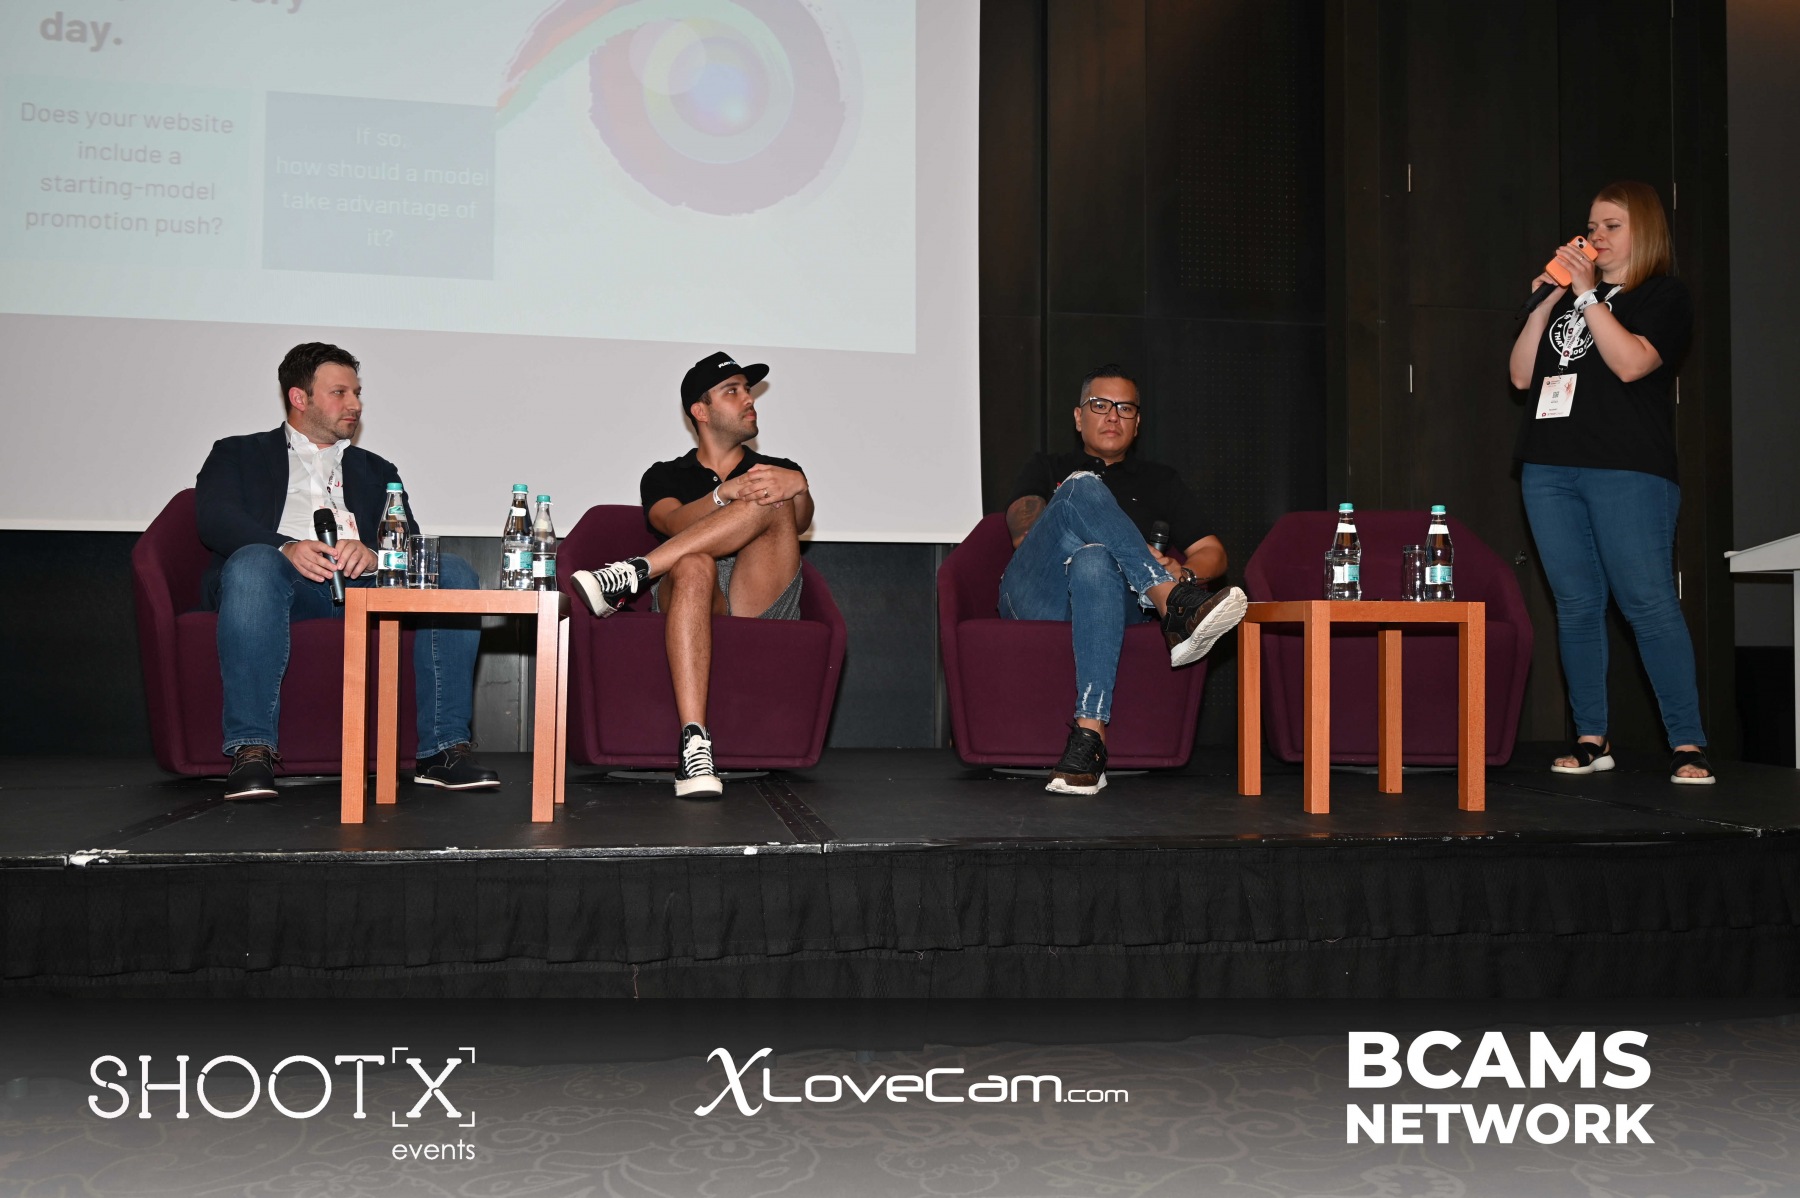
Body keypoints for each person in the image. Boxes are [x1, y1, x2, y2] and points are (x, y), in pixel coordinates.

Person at [195, 342, 499, 799]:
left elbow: (407, 539)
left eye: (357, 393)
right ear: (300, 397)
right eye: (340, 393)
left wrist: (375, 555)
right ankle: (252, 750)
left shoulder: (376, 469)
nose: (354, 404)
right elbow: (215, 519)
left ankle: (443, 751)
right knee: (255, 562)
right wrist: (285, 548)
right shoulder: (238, 453)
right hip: (282, 584)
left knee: (451, 571)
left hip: (366, 587)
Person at [1507, 180, 1712, 784]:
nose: (1596, 236)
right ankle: (1591, 737)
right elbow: (1521, 377)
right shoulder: (1568, 299)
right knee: (1575, 606)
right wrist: (1545, 302)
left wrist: (1589, 295)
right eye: (1592, 226)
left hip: (1627, 468)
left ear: (1643, 231)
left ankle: (1688, 743)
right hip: (1549, 467)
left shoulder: (1663, 295)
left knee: (1647, 602)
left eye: (1611, 226)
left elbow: (1630, 364)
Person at [570, 351, 811, 799]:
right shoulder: (664, 475)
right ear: (700, 411)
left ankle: (634, 572)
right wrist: (724, 495)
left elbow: (799, 520)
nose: (749, 399)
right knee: (694, 562)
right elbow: (672, 523)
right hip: (691, 589)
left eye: (748, 390)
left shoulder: (777, 469)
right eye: (732, 391)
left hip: (760, 590)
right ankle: (695, 745)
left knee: (772, 495)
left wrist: (798, 486)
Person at [1001, 364, 1247, 794]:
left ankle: (1088, 742)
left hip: (1115, 603)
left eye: (1125, 408)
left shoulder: (1160, 481)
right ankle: (1171, 602)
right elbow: (1026, 539)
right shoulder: (1047, 467)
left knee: (1094, 561)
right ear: (1078, 416)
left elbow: (1214, 552)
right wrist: (1128, 547)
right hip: (1038, 592)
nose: (1113, 416)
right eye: (1100, 405)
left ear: (1137, 423)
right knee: (1082, 488)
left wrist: (1184, 571)